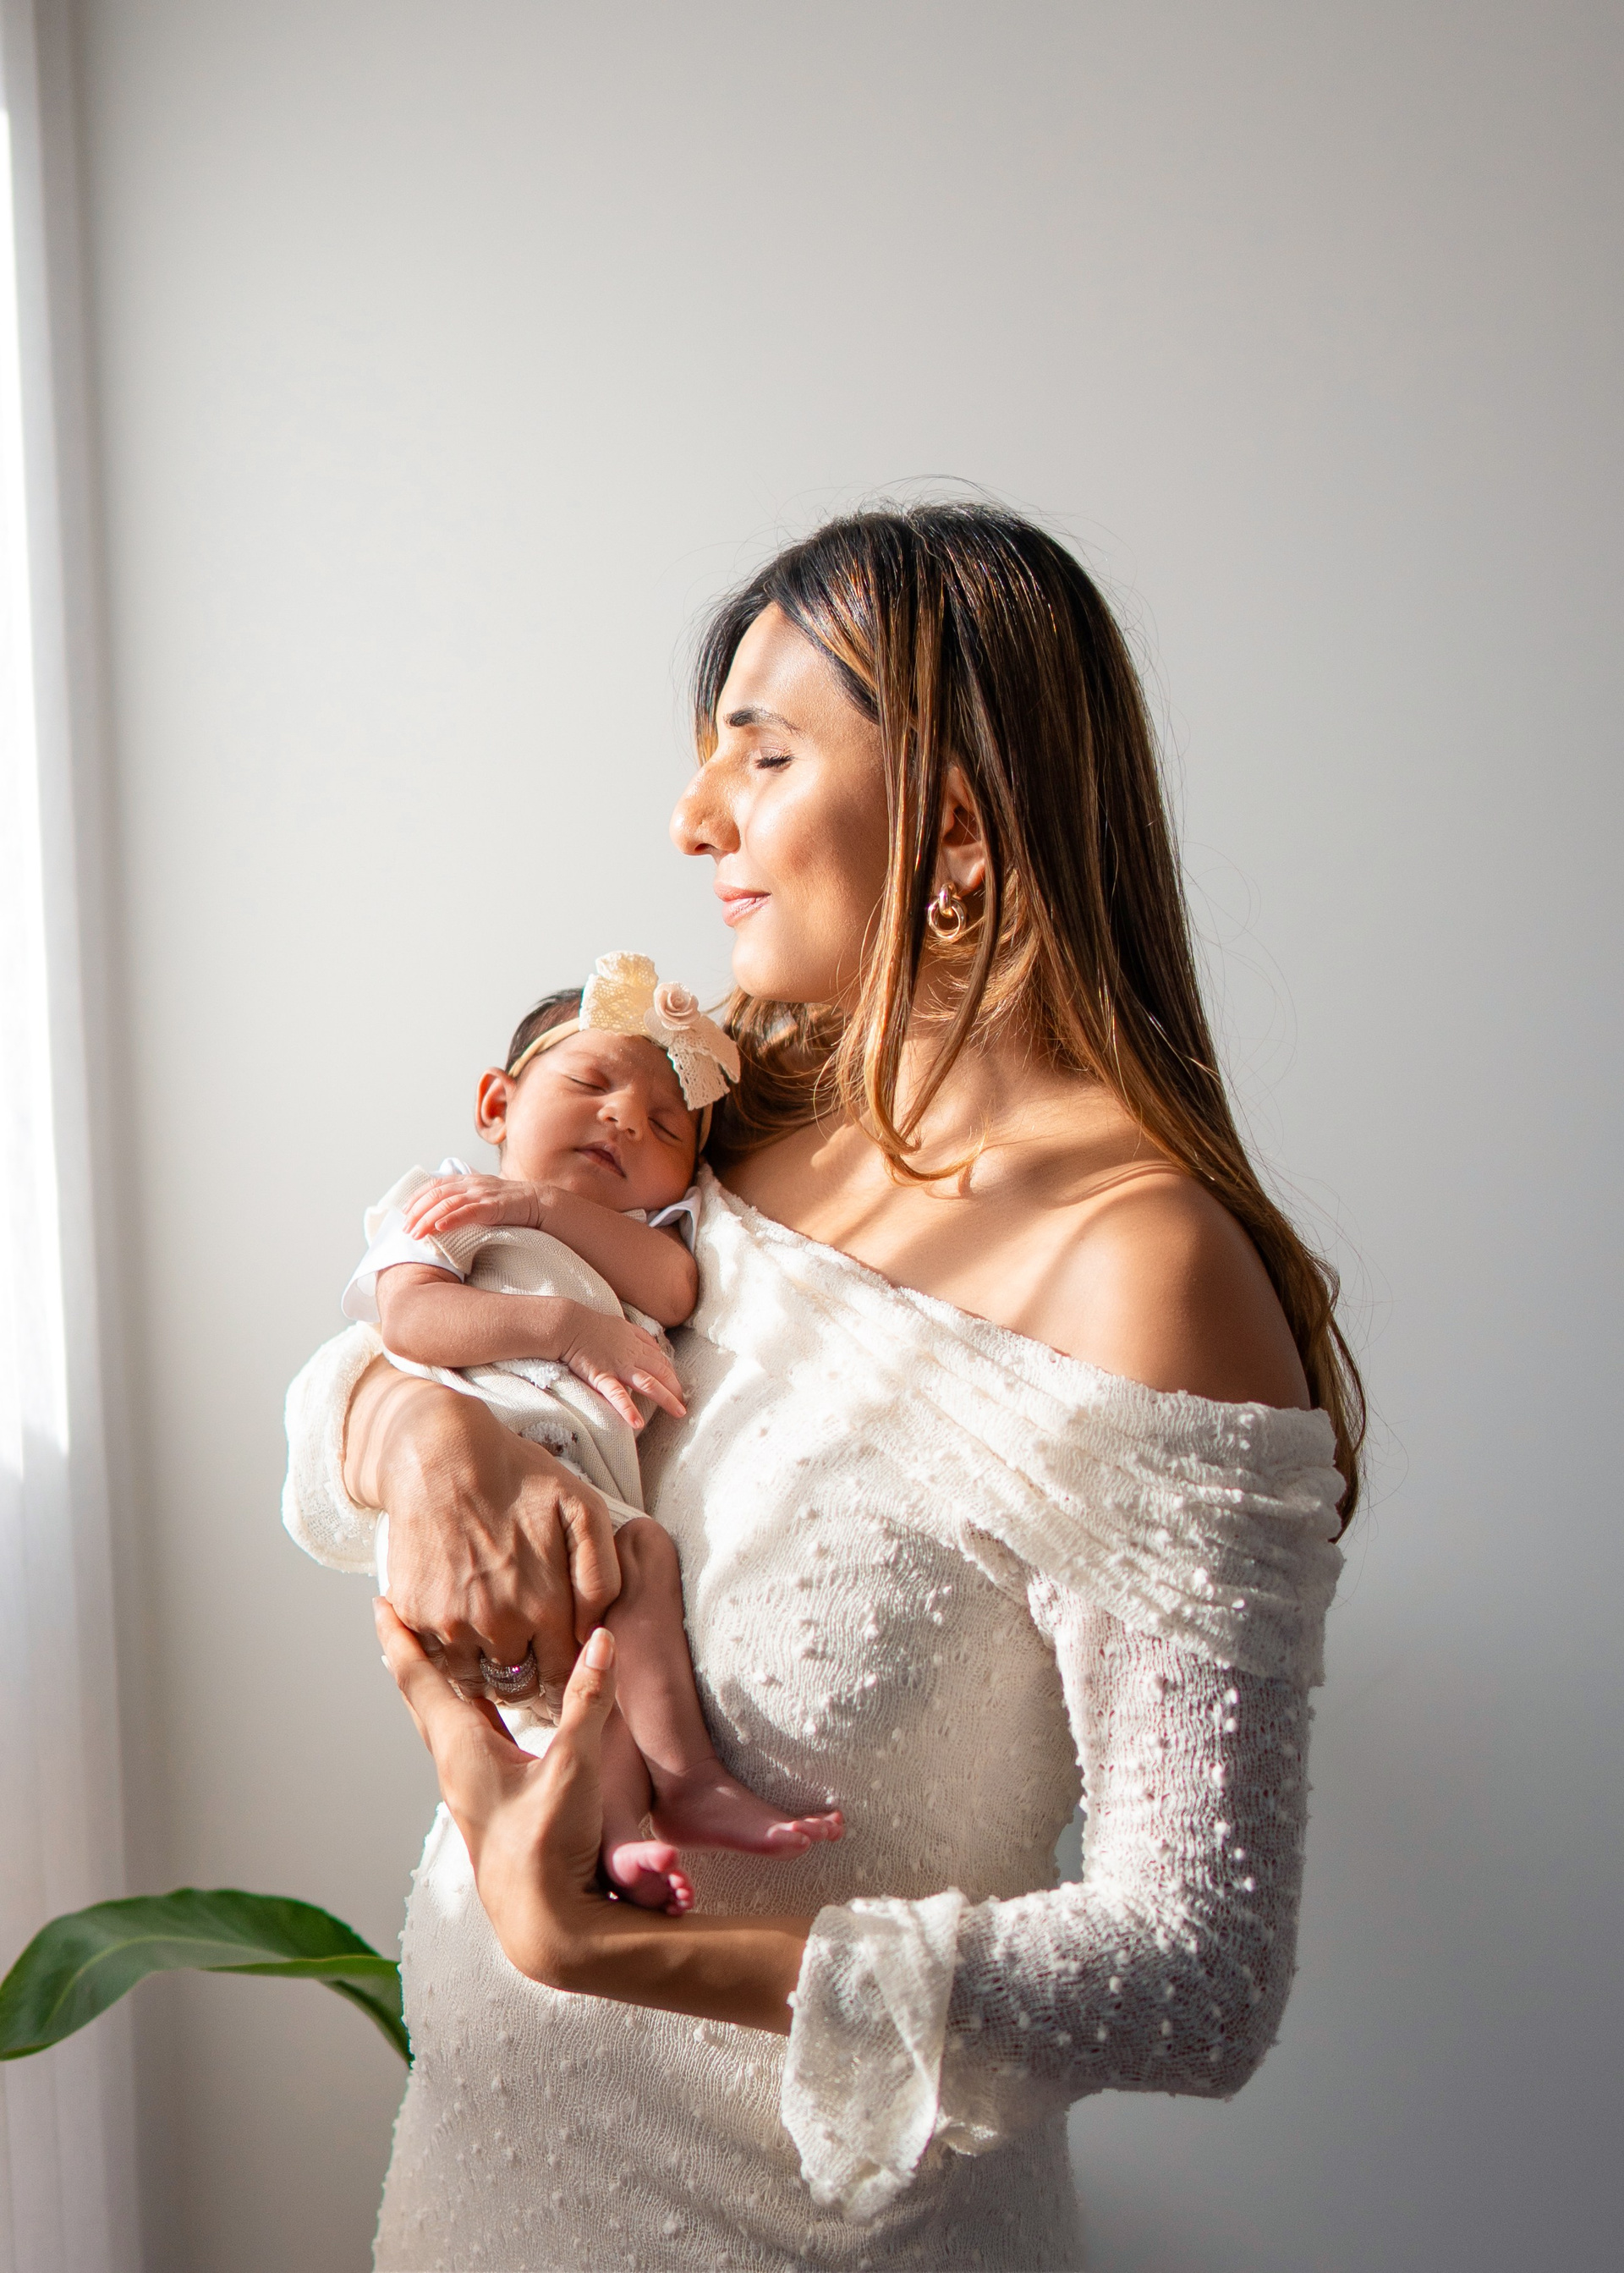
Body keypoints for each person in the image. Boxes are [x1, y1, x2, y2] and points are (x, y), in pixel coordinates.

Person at [283, 501, 1360, 2271]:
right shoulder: (736, 1126)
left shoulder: (1145, 1275)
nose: (693, 818)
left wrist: (603, 1945)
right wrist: (420, 1432)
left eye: (763, 754)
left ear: (955, 827)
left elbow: (1200, 1966)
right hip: (471, 2199)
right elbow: (401, 1324)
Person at [338, 951, 842, 1914]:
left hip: (590, 1505)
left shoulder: (640, 1239)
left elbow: (677, 1288)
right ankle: (633, 1818)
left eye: (665, 1124)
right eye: (589, 1082)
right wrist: (563, 1324)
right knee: (589, 1645)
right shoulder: (448, 1201)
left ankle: (664, 1801)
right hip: (480, 1496)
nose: (625, 1117)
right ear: (496, 1104)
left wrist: (548, 1206)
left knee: (631, 1586)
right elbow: (412, 1318)